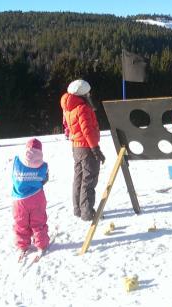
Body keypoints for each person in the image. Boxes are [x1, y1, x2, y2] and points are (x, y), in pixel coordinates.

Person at [60, 79, 106, 221]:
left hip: (76, 147)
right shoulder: (82, 108)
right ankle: (87, 212)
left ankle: (78, 209)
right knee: (89, 179)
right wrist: (95, 148)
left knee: (79, 178)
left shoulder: (69, 107)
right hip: (86, 147)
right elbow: (88, 131)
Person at [12, 138, 49, 257]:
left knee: (20, 223)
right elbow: (45, 180)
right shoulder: (43, 166)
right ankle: (41, 244)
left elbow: (13, 177)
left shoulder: (17, 161)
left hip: (19, 199)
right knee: (38, 222)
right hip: (37, 197)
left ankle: (22, 245)